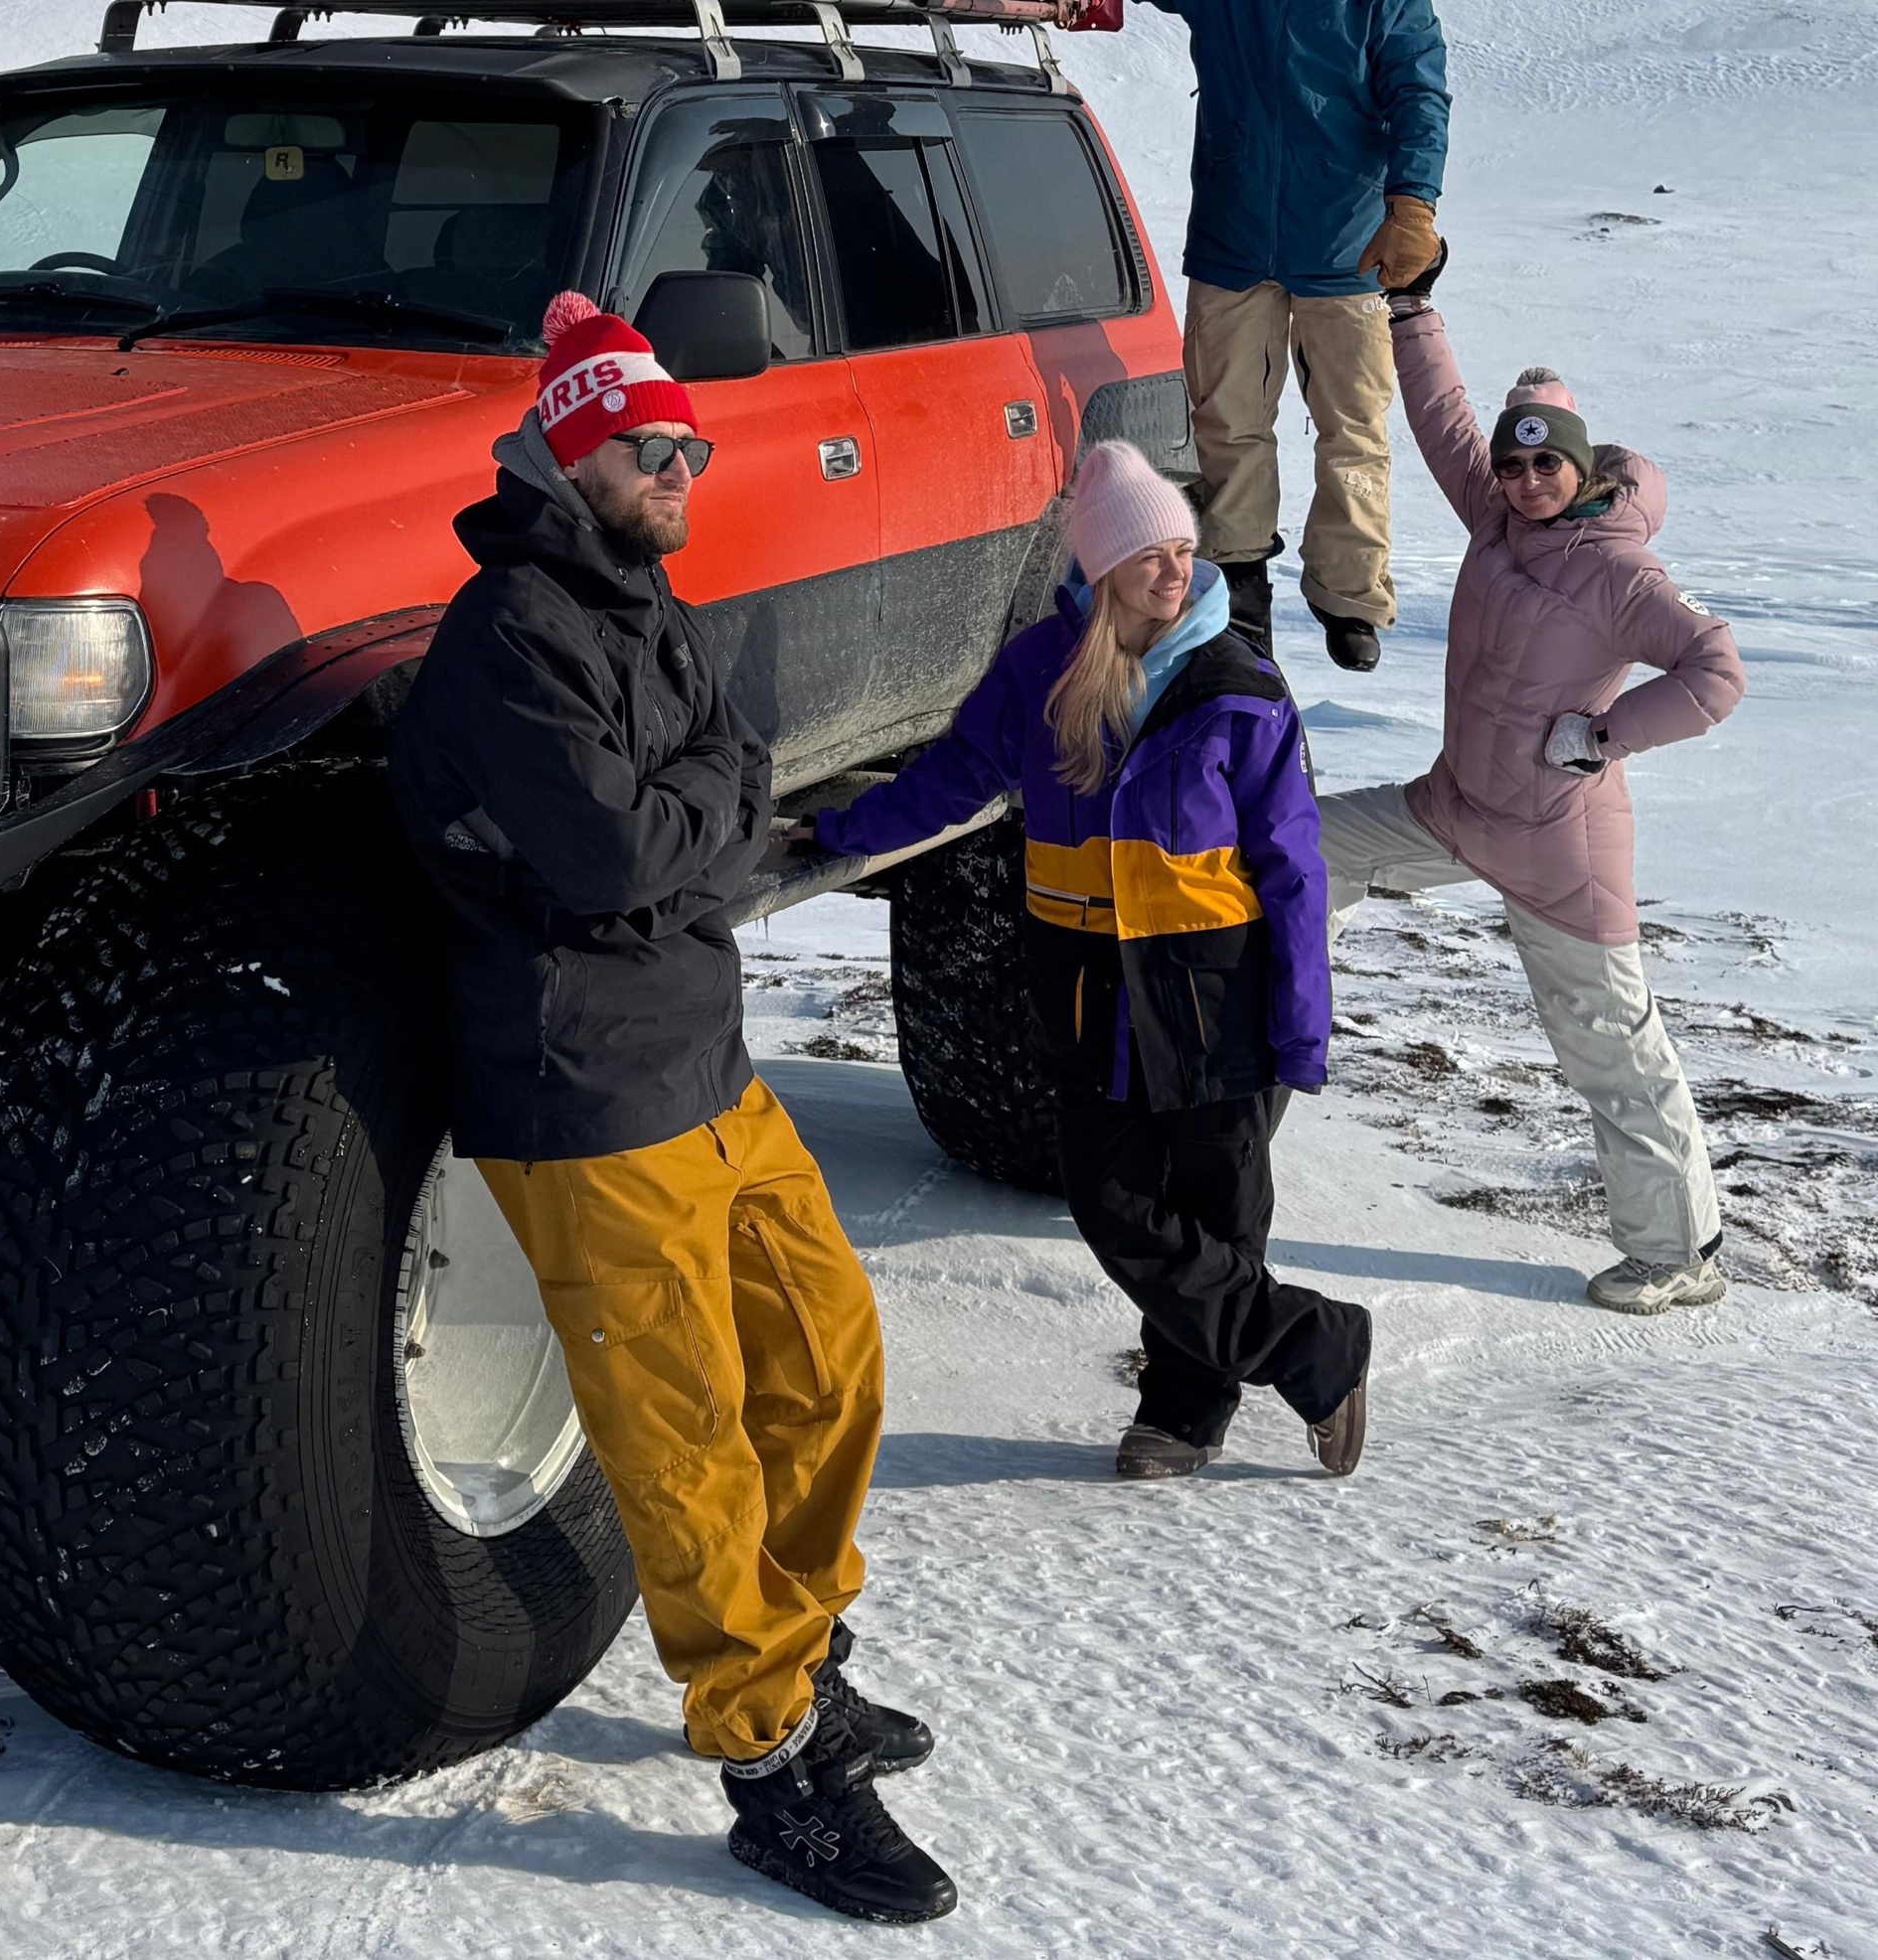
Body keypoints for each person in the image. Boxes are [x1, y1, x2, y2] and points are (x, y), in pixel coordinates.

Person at [389, 290, 958, 1927]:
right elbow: (620, 856)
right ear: (577, 457)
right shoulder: (508, 635)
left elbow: (741, 775)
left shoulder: (644, 601)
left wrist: (694, 817)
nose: (682, 473)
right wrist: (702, 819)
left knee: (829, 1352)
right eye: (653, 450)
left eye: (690, 450)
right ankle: (773, 1756)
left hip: (704, 1056)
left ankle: (805, 1640)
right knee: (686, 1439)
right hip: (583, 1089)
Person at [804, 439, 1372, 1484]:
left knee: (1219, 1214)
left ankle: (1185, 1412)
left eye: (1183, 550)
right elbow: (953, 777)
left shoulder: (1240, 686)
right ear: (1102, 567)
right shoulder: (1041, 669)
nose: (1174, 570)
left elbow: (1294, 868)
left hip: (1212, 991)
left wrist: (1301, 1023)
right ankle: (1315, 1342)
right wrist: (842, 829)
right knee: (1111, 1201)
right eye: (1149, 554)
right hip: (1085, 990)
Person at [1316, 251, 1745, 1313]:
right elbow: (1442, 422)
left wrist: (1603, 735)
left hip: (1558, 846)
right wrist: (1411, 307)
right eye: (1512, 466)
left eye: (1545, 463)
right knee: (1301, 844)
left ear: (1580, 465)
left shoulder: (1616, 567)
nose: (1523, 480)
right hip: (1455, 807)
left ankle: (1678, 1251)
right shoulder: (1498, 517)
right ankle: (1265, 1045)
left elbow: (1714, 671)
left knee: (1608, 1044)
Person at [936, 0, 1447, 673]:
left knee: (1353, 431)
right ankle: (1240, 582)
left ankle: (1349, 596)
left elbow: (1419, 98)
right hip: (1235, 243)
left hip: (1347, 250)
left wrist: (1414, 203)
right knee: (1228, 424)